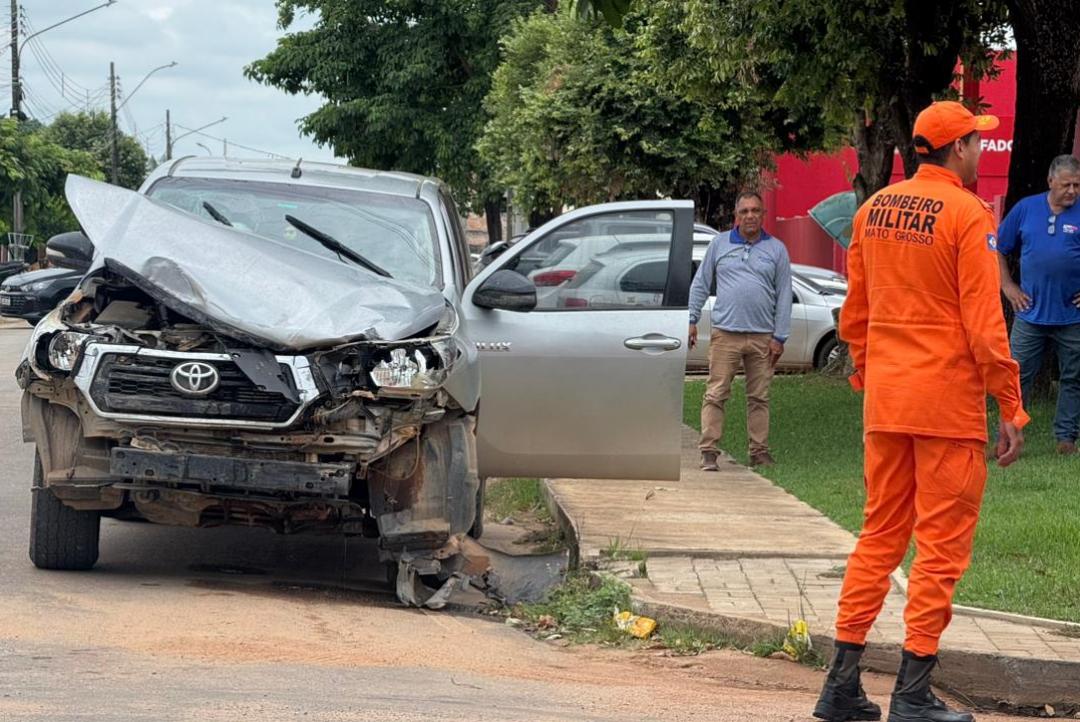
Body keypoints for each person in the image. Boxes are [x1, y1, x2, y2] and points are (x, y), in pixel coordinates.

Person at [813, 101, 1027, 722]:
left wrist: (862, 368)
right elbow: (985, 323)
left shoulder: (875, 208)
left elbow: (857, 307)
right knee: (939, 547)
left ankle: (841, 686)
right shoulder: (966, 212)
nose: (981, 151)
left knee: (879, 536)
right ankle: (911, 694)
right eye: (976, 142)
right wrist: (1010, 404)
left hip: (887, 401)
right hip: (946, 407)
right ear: (956, 149)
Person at [688, 191, 792, 470]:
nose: (750, 216)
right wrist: (691, 318)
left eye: (755, 211)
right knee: (716, 393)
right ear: (736, 215)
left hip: (762, 336)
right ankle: (709, 451)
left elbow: (784, 294)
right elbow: (701, 283)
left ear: (763, 214)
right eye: (744, 211)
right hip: (726, 334)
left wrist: (779, 336)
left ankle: (759, 451)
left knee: (759, 396)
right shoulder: (719, 245)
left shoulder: (777, 250)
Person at [996, 154, 1080, 455]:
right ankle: (1007, 438)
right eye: (1066, 185)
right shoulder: (1026, 209)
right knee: (1015, 378)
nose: (1072, 191)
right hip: (1030, 314)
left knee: (1074, 377)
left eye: (1077, 185)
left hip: (1073, 315)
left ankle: (1066, 439)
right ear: (1050, 182)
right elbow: (997, 248)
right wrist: (1007, 285)